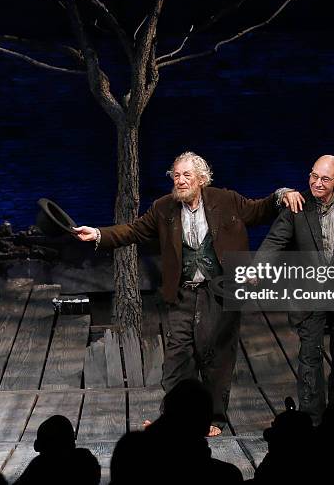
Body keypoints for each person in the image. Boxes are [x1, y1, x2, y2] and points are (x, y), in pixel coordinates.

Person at [74, 151, 303, 436]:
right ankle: (172, 419)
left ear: (201, 180)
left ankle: (214, 418)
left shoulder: (225, 200)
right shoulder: (164, 208)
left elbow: (259, 209)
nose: (180, 181)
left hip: (220, 291)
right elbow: (133, 231)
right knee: (177, 358)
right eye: (176, 175)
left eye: (187, 176)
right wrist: (97, 234)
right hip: (182, 293)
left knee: (216, 357)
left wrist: (283, 194)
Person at [256, 155, 334, 425]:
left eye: (324, 179)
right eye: (314, 176)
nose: (317, 182)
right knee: (310, 356)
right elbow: (274, 240)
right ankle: (312, 419)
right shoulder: (297, 205)